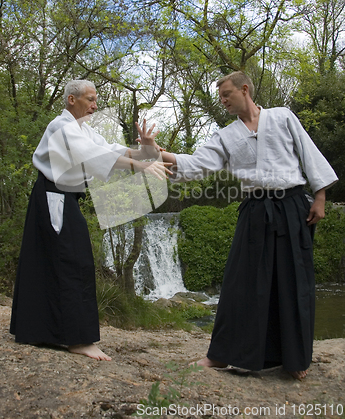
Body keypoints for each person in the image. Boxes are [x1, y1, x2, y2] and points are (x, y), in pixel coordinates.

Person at [137, 71, 338, 379]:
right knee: (239, 283)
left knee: (293, 282)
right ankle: (219, 356)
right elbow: (196, 164)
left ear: (245, 90)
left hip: (294, 206)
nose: (222, 100)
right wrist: (153, 150)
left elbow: (309, 155)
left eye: (226, 94)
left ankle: (295, 360)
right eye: (220, 97)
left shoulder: (283, 117)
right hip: (255, 209)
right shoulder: (225, 135)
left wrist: (320, 196)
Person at [10, 79, 170, 361]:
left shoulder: (82, 129)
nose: (95, 105)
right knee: (74, 260)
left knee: (53, 259)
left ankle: (36, 330)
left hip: (60, 198)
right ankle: (78, 339)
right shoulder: (61, 127)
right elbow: (95, 156)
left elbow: (112, 149)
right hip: (52, 197)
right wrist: (142, 165)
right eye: (90, 99)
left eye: (96, 100)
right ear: (72, 100)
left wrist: (146, 149)